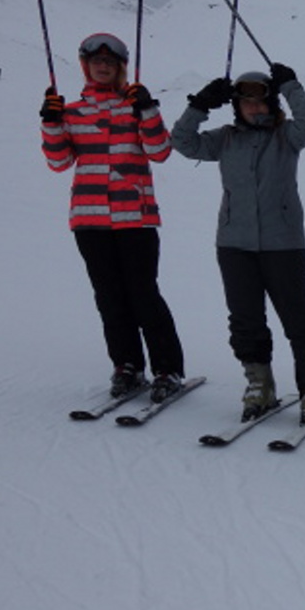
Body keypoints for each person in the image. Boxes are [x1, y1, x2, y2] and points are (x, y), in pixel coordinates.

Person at [172, 63, 305, 425]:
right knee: (245, 319)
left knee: (298, 319)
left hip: (284, 243)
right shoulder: (225, 139)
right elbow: (182, 142)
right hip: (234, 244)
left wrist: (291, 85)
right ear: (237, 106)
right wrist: (199, 105)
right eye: (246, 102)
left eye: (260, 101)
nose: (254, 107)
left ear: (271, 102)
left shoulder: (286, 136)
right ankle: (259, 383)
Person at [40, 31, 188, 402]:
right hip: (89, 220)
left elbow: (159, 151)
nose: (102, 66)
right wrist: (51, 123)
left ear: (121, 67)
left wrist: (148, 111)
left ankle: (167, 368)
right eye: (96, 61)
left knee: (143, 294)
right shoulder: (73, 112)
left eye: (110, 61)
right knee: (109, 297)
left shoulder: (133, 108)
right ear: (86, 66)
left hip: (135, 218)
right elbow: (59, 162)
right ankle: (127, 365)